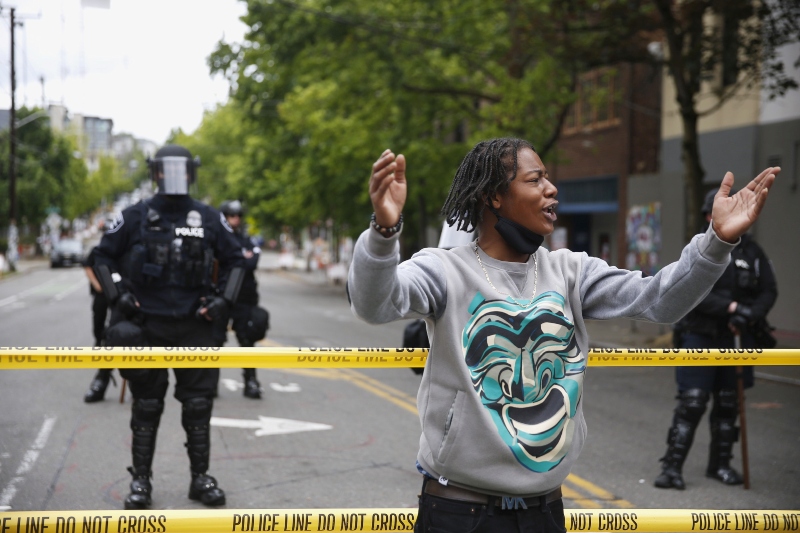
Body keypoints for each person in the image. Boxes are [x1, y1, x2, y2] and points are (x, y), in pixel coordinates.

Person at [346, 139, 778, 532]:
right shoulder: (443, 269)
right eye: (536, 179)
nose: (552, 188)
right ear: (494, 196)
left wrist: (717, 241)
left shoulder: (569, 270)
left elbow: (659, 300)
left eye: (548, 178)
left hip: (546, 511)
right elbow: (375, 304)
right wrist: (384, 234)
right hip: (459, 511)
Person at [93, 144, 246, 510]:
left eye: (180, 169)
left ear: (191, 172)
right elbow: (101, 256)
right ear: (155, 172)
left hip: (196, 324)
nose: (172, 176)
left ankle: (200, 478)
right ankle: (140, 482)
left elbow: (236, 262)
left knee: (197, 405)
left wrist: (223, 300)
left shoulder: (208, 217)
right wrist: (117, 297)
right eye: (165, 169)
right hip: (147, 325)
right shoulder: (135, 216)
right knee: (146, 404)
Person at [654, 187, 778, 490]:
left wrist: (747, 314)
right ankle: (671, 468)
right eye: (712, 212)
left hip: (736, 337)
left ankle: (719, 466)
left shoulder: (752, 252)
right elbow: (688, 292)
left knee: (728, 404)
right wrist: (730, 306)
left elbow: (768, 291)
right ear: (708, 215)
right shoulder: (700, 248)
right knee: (692, 402)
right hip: (700, 335)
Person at [214, 199, 270, 399]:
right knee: (215, 340)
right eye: (231, 215)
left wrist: (237, 259)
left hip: (245, 298)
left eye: (238, 215)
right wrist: (239, 258)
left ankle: (250, 381)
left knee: (247, 340)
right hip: (220, 296)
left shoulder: (248, 241)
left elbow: (251, 262)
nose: (235, 219)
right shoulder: (216, 240)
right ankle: (211, 383)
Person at [82, 244, 117, 402]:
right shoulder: (100, 249)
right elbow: (87, 265)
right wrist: (97, 285)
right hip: (102, 293)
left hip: (123, 294)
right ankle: (102, 377)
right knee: (100, 330)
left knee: (119, 335)